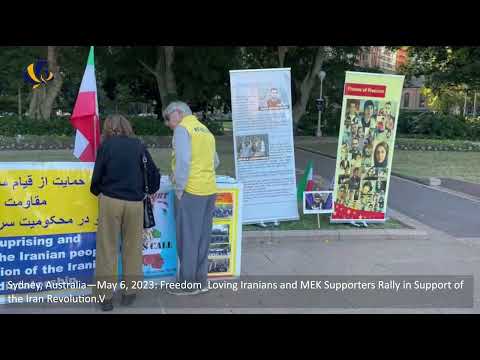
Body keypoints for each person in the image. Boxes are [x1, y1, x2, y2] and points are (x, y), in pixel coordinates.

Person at [90, 114, 160, 311]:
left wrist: (98, 191)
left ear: (108, 128)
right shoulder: (138, 145)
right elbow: (153, 174)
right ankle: (130, 293)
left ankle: (106, 297)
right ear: (127, 127)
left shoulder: (106, 146)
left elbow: (96, 178)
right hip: (135, 203)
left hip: (110, 200)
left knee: (107, 249)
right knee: (133, 248)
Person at [162, 101, 220, 295]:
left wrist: (179, 187)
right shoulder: (204, 130)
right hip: (209, 189)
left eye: (168, 119)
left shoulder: (182, 129)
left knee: (187, 239)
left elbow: (183, 162)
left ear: (178, 113)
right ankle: (201, 281)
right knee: (203, 237)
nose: (168, 124)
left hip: (191, 190)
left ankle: (187, 284)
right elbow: (215, 161)